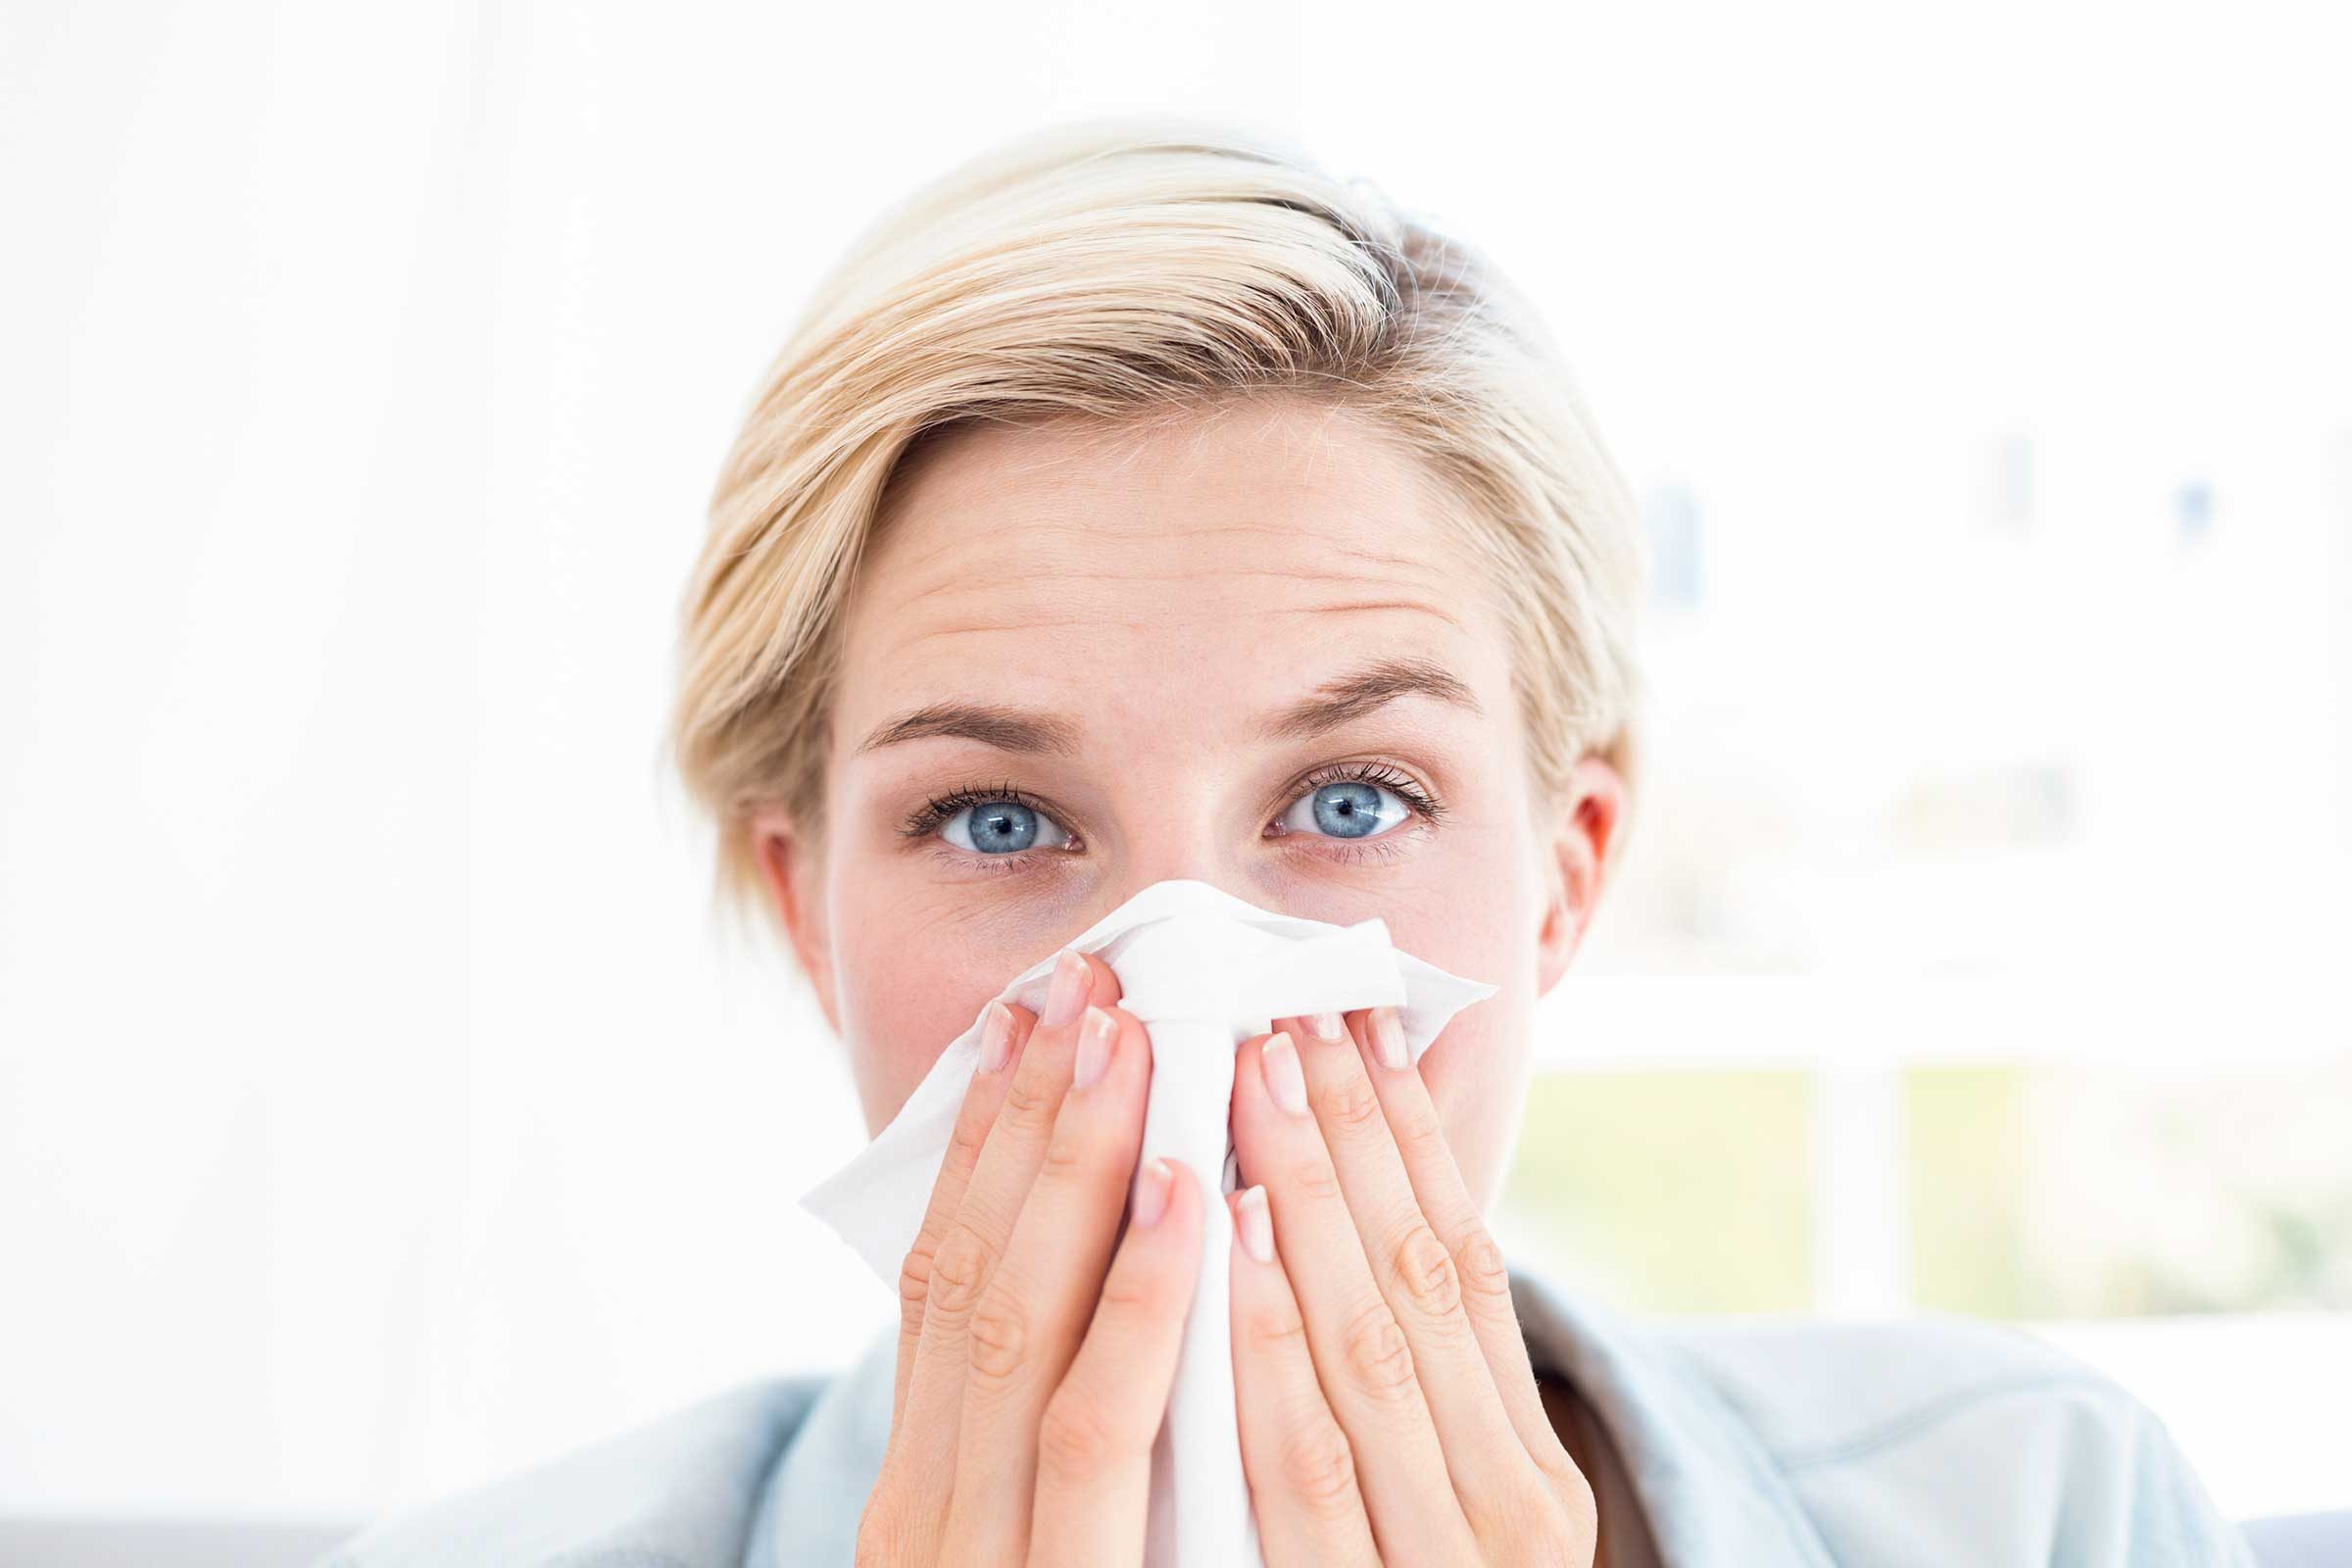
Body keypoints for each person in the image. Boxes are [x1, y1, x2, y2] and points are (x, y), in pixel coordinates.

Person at [322, 116, 2253, 1567]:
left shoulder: (2037, 1499)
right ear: (805, 908)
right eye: (999, 817)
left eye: (1348, 802)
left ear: (1569, 866)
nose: (1187, 994)